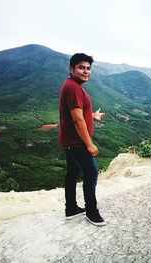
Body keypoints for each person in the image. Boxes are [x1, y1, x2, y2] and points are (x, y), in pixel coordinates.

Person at [58, 53, 106, 226]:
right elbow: (78, 120)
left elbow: (78, 114)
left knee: (72, 172)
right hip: (76, 141)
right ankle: (91, 211)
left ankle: (70, 208)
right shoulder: (74, 88)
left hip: (69, 139)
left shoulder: (71, 84)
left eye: (88, 68)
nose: (86, 72)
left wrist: (93, 116)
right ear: (71, 69)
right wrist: (89, 144)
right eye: (81, 68)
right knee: (91, 172)